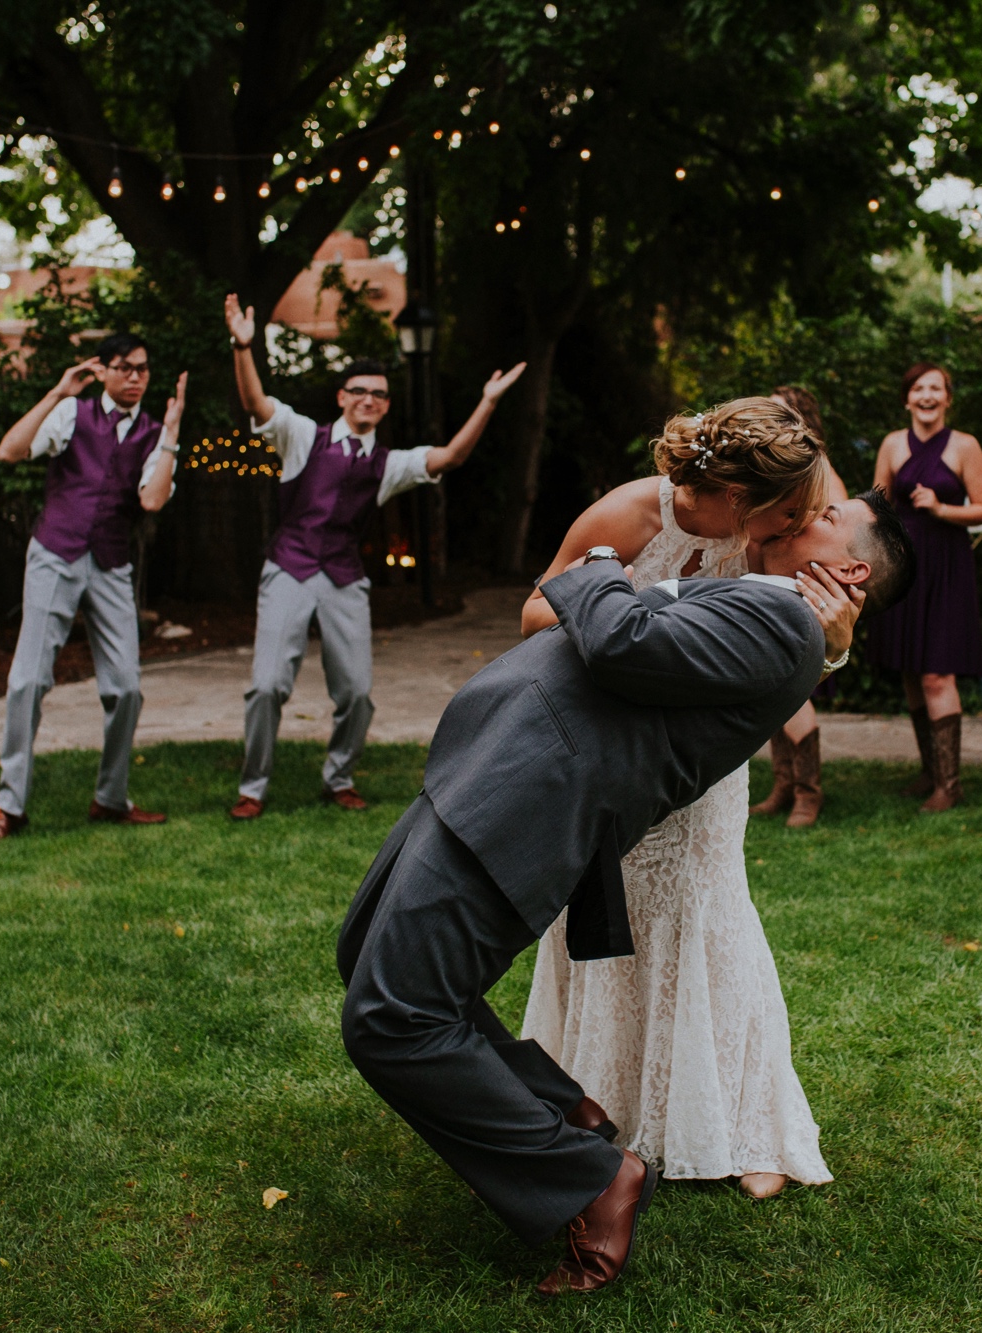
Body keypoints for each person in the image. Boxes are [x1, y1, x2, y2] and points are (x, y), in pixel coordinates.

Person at [337, 490, 914, 1295]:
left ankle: (588, 1174)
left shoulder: (785, 616)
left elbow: (619, 637)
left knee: (392, 1017)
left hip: (529, 793)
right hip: (493, 765)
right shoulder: (741, 570)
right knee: (365, 955)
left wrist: (602, 568)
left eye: (825, 512)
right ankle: (565, 1110)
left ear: (846, 567)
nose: (806, 508)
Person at [518, 398, 840, 1204]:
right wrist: (629, 610)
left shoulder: (768, 532)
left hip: (704, 766)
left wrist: (834, 640)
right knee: (604, 917)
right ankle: (601, 1104)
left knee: (712, 915)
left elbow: (800, 636)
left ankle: (748, 1121)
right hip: (611, 748)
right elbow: (533, 613)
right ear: (738, 494)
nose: (799, 522)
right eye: (787, 509)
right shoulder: (633, 510)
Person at [222, 293, 524, 818]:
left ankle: (338, 776)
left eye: (378, 394)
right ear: (341, 397)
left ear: (386, 405)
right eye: (358, 390)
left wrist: (489, 401)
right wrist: (242, 346)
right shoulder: (301, 437)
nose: (368, 399)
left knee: (358, 693)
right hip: (289, 569)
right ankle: (253, 788)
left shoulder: (388, 464)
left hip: (342, 576)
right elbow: (255, 403)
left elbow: (450, 456)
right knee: (267, 685)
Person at [0, 334, 187, 847]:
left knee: (127, 689)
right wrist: (56, 393)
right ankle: (10, 808)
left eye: (143, 369)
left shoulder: (157, 433)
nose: (135, 377)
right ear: (104, 372)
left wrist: (174, 432)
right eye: (124, 368)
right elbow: (10, 450)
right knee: (28, 681)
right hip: (55, 554)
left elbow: (153, 501)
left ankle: (111, 798)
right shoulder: (73, 414)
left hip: (110, 564)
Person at [862, 363, 982, 812]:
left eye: (935, 388)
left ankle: (950, 785)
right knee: (910, 668)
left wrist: (940, 509)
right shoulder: (892, 444)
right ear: (906, 399)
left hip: (946, 564)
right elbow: (874, 506)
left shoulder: (965, 446)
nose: (926, 395)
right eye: (918, 388)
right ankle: (930, 772)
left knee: (938, 669)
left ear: (947, 398)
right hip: (902, 565)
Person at [750, 384, 847, 827]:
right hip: (771, 580)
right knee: (770, 682)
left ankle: (809, 791)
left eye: (782, 413)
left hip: (803, 585)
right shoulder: (779, 469)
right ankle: (784, 785)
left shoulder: (820, 469)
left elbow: (837, 536)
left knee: (791, 688)